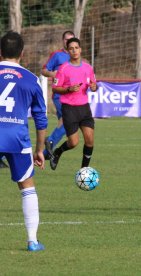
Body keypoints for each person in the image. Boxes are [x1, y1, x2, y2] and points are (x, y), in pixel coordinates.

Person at [0, 31, 48, 251]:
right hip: (17, 139)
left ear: (0, 52)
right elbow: (40, 119)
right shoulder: (31, 79)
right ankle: (32, 241)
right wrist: (40, 150)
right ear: (22, 53)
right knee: (27, 186)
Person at [49, 37, 97, 170]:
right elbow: (55, 88)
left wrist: (94, 87)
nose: (74, 50)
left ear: (80, 50)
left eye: (76, 48)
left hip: (84, 109)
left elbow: (94, 85)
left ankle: (84, 170)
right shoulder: (63, 69)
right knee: (73, 142)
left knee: (90, 140)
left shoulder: (88, 68)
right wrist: (68, 89)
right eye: (71, 48)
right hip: (69, 109)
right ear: (68, 52)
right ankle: (57, 152)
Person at [41, 30, 75, 160]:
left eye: (71, 39)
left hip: (72, 96)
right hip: (59, 95)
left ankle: (43, 155)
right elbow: (44, 70)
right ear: (63, 41)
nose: (69, 42)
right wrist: (53, 74)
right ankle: (50, 140)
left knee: (65, 124)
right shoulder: (57, 55)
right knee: (69, 121)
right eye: (66, 39)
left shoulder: (76, 56)